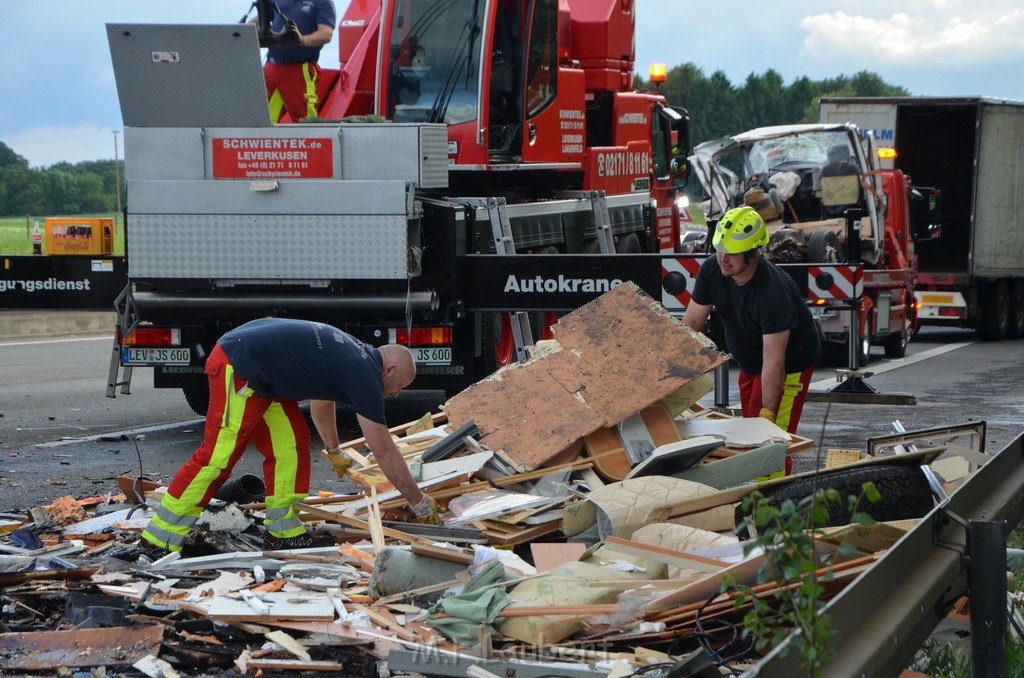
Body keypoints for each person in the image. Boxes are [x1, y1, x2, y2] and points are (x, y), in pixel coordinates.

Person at [140, 317, 440, 554]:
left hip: (267, 376)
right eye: (400, 385)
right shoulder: (365, 375)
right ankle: (158, 540)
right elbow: (383, 449)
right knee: (216, 459)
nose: (397, 393)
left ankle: (282, 533)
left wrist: (334, 450)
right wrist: (417, 501)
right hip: (240, 365)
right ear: (388, 369)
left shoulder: (356, 354)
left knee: (292, 448)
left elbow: (323, 402)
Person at [683, 206, 821, 473]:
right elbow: (691, 325)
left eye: (732, 252)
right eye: (719, 248)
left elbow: (774, 363)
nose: (723, 258)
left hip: (788, 367)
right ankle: (755, 498)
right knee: (749, 436)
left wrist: (768, 416)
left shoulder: (773, 292)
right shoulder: (713, 269)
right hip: (749, 362)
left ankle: (772, 507)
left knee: (771, 441)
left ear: (753, 252)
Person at [261, 0, 337, 123]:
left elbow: (326, 34)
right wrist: (242, 31)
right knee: (261, 119)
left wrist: (301, 39)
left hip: (300, 70)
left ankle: (311, 142)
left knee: (306, 122)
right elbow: (260, 19)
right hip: (271, 68)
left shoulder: (323, 2)